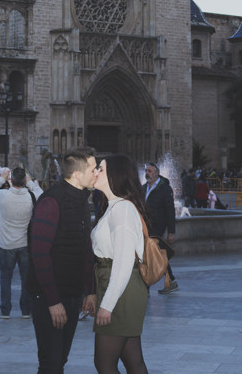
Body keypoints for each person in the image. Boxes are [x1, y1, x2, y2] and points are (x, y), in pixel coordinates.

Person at [28, 147, 98, 374]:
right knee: (51, 362)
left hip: (71, 295)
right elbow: (40, 254)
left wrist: (90, 290)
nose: (97, 173)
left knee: (60, 360)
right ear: (77, 174)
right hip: (48, 297)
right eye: (93, 169)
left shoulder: (81, 200)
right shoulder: (51, 201)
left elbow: (85, 249)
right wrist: (53, 301)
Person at [91, 155, 150, 374]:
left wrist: (107, 305)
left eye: (101, 169)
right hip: (118, 287)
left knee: (104, 364)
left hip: (121, 289)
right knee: (133, 360)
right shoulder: (114, 206)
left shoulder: (122, 210)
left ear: (115, 175)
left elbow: (124, 261)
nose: (95, 172)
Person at [0, 167, 42, 318]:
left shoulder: (4, 196)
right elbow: (41, 193)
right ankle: (26, 310)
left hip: (7, 245)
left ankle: (5, 310)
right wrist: (30, 182)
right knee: (26, 279)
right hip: (24, 245)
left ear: (11, 180)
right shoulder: (31, 196)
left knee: (5, 278)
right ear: (24, 181)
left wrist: (2, 178)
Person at [141, 162, 177, 294]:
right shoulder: (144, 187)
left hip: (158, 225)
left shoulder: (164, 188)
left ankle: (147, 286)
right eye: (146, 171)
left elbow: (170, 210)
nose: (147, 173)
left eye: (150, 171)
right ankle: (170, 280)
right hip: (146, 226)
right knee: (156, 254)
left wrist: (171, 231)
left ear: (156, 173)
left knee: (150, 253)